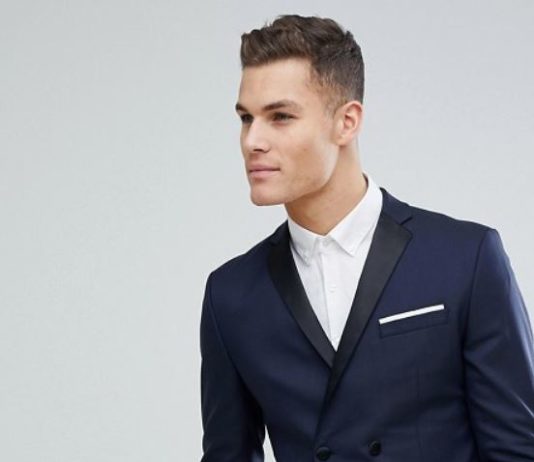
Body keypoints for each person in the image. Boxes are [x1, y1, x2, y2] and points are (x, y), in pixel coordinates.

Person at [199, 14, 534, 462]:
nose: (252, 141)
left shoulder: (465, 259)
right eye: (246, 118)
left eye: (280, 116)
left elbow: (517, 450)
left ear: (347, 121)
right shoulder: (231, 295)